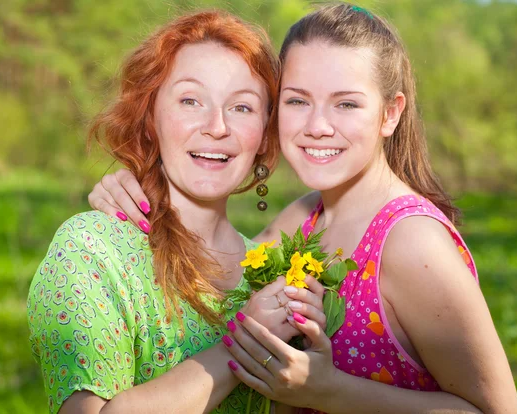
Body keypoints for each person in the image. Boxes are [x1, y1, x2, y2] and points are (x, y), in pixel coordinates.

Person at [89, 4, 517, 413]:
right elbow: (208, 274)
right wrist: (139, 187)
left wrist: (331, 391)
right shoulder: (303, 219)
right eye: (298, 101)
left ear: (390, 113)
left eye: (346, 104)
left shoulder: (412, 242)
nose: (317, 126)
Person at [27, 10, 327, 414]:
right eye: (190, 100)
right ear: (150, 118)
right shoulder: (91, 249)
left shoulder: (273, 273)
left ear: (264, 133)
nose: (217, 126)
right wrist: (245, 341)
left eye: (241, 108)